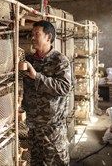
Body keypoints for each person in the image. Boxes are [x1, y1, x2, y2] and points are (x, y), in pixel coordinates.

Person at [22, 20, 72, 166]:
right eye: (32, 34)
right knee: (36, 162)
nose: (32, 38)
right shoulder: (29, 60)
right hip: (33, 126)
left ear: (48, 37)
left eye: (36, 34)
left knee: (57, 162)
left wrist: (36, 76)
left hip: (52, 128)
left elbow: (64, 87)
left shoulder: (59, 60)